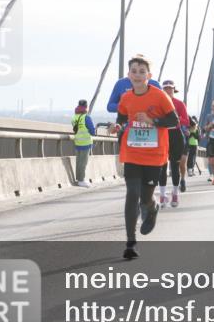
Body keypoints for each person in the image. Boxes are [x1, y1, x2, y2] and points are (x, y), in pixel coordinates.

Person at [111, 54, 177, 259]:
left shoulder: (159, 96)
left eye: (142, 72)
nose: (137, 75)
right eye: (134, 71)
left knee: (145, 196)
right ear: (128, 75)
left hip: (154, 154)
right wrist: (118, 126)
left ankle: (152, 206)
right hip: (131, 151)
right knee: (132, 194)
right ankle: (130, 243)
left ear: (149, 75)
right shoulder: (126, 97)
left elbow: (173, 120)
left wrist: (152, 120)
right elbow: (122, 116)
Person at [158, 80, 189, 207]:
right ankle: (162, 195)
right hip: (162, 135)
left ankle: (175, 193)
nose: (168, 90)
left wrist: (175, 120)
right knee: (162, 167)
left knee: (175, 166)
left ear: (174, 90)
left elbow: (186, 121)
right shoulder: (158, 103)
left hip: (176, 135)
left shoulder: (179, 104)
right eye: (165, 88)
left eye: (170, 88)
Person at [71, 99, 96, 188]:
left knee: (78, 162)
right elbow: (93, 132)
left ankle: (78, 179)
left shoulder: (74, 117)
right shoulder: (86, 117)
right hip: (85, 143)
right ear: (86, 107)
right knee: (83, 163)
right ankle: (81, 180)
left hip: (77, 142)